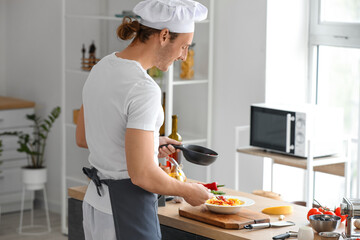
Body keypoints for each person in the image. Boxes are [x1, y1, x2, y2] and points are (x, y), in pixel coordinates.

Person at [75, 0, 212, 239]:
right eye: (183, 46)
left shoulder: (101, 68)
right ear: (164, 35)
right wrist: (188, 190)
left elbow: (85, 137)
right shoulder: (143, 88)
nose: (184, 56)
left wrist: (147, 144)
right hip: (126, 211)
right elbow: (142, 175)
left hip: (96, 206)